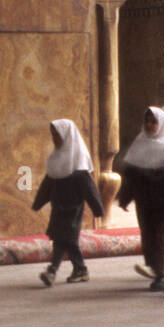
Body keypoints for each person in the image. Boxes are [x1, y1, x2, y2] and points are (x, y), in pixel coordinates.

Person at [32, 119, 104, 286]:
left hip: (73, 210)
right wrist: (38, 203)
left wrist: (97, 208)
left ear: (67, 137)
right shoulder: (55, 160)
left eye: (58, 135)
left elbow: (90, 189)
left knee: (64, 238)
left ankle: (52, 270)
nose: (55, 139)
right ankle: (80, 269)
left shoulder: (79, 165)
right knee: (66, 240)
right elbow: (47, 185)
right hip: (58, 209)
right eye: (53, 135)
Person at [118, 106, 164, 290]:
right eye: (147, 121)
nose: (150, 125)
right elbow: (131, 175)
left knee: (160, 236)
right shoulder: (139, 144)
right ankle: (157, 269)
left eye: (154, 121)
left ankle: (163, 274)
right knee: (148, 237)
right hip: (144, 201)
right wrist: (125, 197)